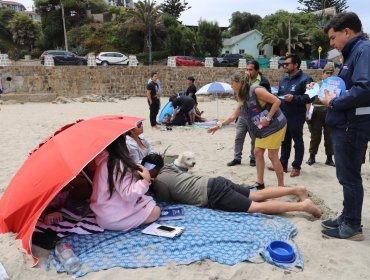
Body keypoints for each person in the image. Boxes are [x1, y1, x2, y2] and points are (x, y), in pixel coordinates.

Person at [320, 12, 370, 240]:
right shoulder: (353, 54)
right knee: (347, 176)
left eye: (333, 37)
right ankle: (347, 217)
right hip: (347, 124)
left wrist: (335, 101)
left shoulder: (363, 50)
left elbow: (364, 88)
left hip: (352, 125)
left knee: (349, 177)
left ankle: (352, 226)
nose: (331, 44)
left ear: (347, 32)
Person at [142, 154, 321, 217]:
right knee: (256, 195)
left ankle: (302, 206)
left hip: (212, 193)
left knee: (257, 207)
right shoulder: (168, 168)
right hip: (215, 181)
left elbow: (164, 199)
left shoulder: (159, 183)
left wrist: (146, 180)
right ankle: (297, 189)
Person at [208, 73, 286, 189]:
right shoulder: (242, 96)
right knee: (257, 152)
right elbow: (234, 116)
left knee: (272, 156)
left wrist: (268, 118)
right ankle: (260, 184)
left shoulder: (256, 90)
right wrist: (219, 125)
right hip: (262, 128)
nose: (231, 86)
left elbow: (277, 101)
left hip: (275, 125)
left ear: (239, 83)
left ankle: (281, 186)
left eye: (232, 83)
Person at [90, 134, 160, 232]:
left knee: (147, 201)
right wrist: (145, 181)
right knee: (156, 211)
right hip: (114, 218)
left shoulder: (104, 160)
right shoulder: (118, 164)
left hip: (103, 212)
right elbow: (129, 195)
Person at [225, 60, 272, 168]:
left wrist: (266, 117)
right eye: (247, 69)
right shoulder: (243, 81)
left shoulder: (263, 81)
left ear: (257, 70)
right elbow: (241, 98)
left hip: (256, 115)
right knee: (239, 136)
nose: (248, 72)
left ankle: (253, 158)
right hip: (243, 114)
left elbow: (269, 100)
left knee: (254, 138)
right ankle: (237, 158)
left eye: (250, 69)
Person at [276, 54, 313, 177]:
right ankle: (283, 164)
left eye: (287, 64)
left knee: (297, 141)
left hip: (297, 115)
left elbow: (310, 97)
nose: (284, 65)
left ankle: (296, 167)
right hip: (283, 115)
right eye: (284, 63)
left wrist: (294, 98)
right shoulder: (283, 79)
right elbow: (279, 96)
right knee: (284, 141)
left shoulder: (306, 79)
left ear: (296, 65)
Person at [305, 63, 335, 167]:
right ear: (323, 73)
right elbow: (308, 100)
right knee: (315, 136)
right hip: (316, 113)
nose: (329, 75)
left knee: (330, 136)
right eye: (327, 73)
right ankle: (312, 156)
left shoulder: (335, 87)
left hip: (329, 113)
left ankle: (329, 158)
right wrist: (307, 114)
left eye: (331, 73)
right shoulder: (316, 85)